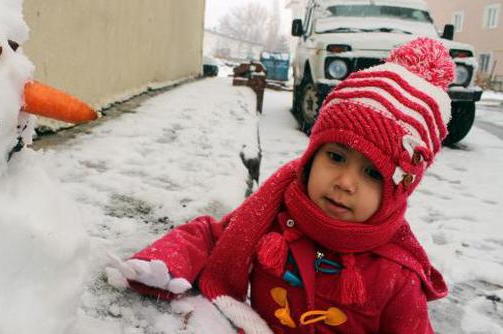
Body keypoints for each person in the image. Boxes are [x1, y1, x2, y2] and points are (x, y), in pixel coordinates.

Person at [106, 37, 451, 333]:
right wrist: (164, 263)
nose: (346, 182)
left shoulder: (397, 277)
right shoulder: (277, 215)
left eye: (373, 173)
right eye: (335, 157)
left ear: (398, 190)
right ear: (312, 155)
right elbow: (214, 236)